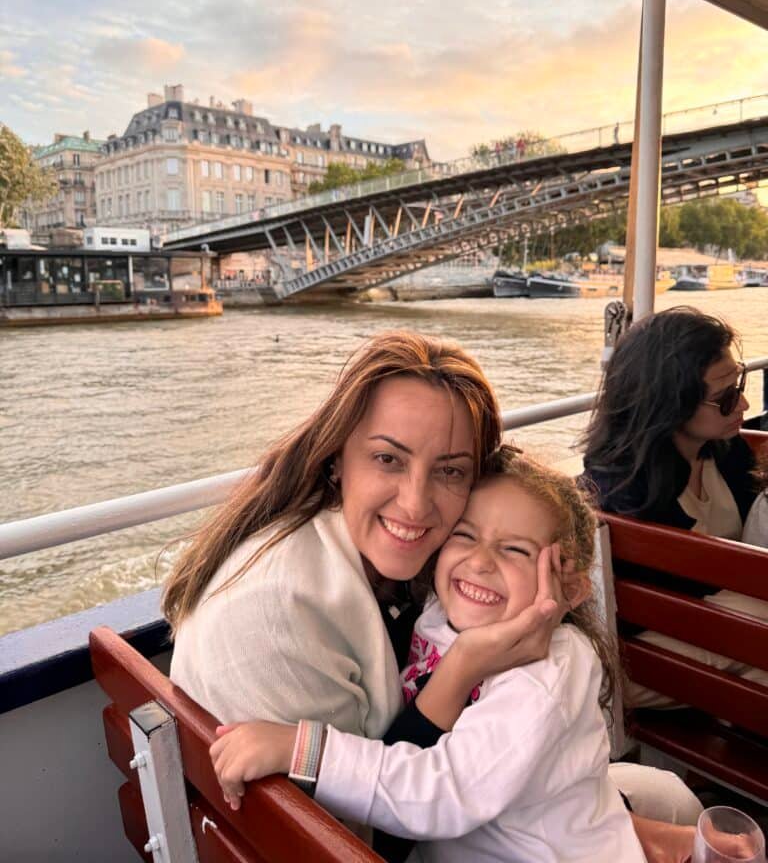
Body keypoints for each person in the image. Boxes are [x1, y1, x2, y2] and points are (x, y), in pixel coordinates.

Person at [164, 330, 701, 860]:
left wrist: (606, 825)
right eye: (388, 459)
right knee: (666, 799)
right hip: (385, 834)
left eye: (449, 470)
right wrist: (463, 667)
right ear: (336, 458)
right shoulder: (281, 612)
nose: (417, 505)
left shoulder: (363, 563)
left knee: (663, 797)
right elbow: (383, 837)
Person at [208, 452, 651, 861]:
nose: (479, 562)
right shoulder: (443, 612)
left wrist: (300, 749)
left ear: (569, 588)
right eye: (465, 535)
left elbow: (444, 791)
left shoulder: (545, 676)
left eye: (515, 549)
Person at [582, 306, 768, 704]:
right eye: (726, 398)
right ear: (670, 402)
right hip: (645, 664)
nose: (744, 406)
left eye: (740, 385)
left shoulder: (727, 452)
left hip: (717, 639)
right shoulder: (622, 490)